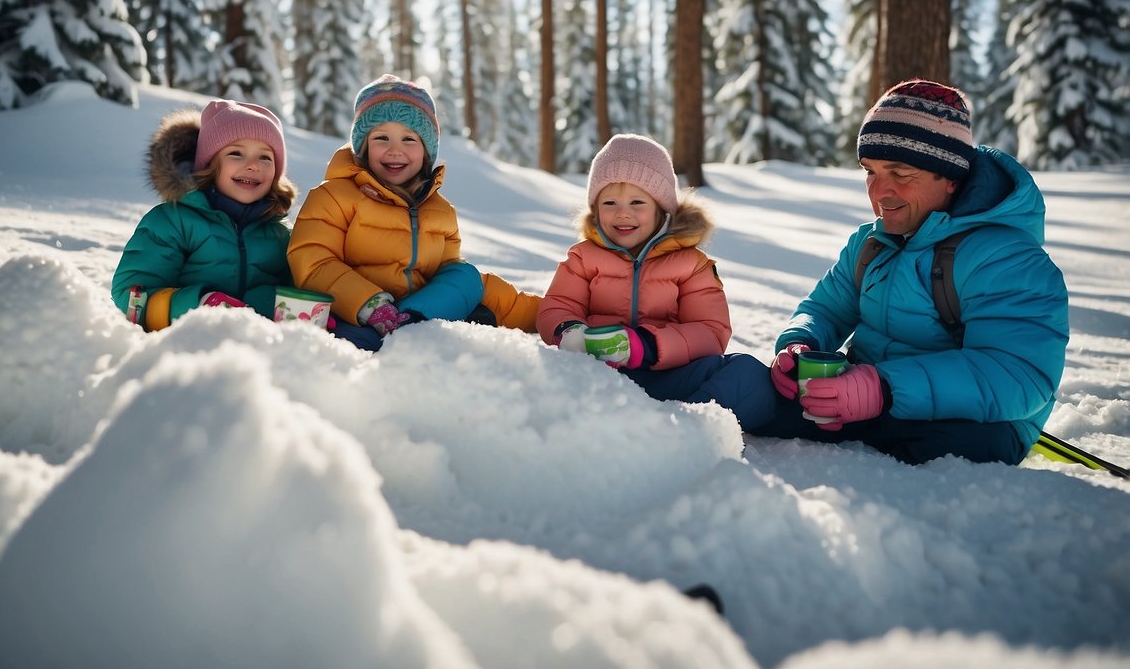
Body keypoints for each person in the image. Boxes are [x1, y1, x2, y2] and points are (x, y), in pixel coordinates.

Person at [753, 79, 1069, 465]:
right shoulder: (870, 244)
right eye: (870, 172)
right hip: (863, 402)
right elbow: (826, 308)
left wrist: (884, 388)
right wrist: (799, 343)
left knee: (931, 451)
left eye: (900, 173)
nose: (879, 192)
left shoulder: (1007, 259)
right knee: (744, 386)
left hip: (977, 422)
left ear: (951, 177)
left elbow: (1017, 374)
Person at [536, 134, 775, 431]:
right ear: (595, 210)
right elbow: (557, 305)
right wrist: (569, 332)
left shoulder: (691, 264)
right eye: (609, 202)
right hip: (600, 376)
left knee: (748, 374)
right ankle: (641, 428)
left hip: (669, 374)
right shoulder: (583, 258)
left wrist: (647, 346)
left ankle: (687, 427)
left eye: (638, 202)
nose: (623, 212)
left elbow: (710, 332)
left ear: (662, 209)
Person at [288, 74, 539, 351]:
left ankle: (412, 324)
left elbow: (449, 278)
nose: (395, 150)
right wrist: (370, 306)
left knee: (466, 276)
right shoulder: (334, 196)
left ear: (426, 152)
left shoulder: (440, 211)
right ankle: (402, 336)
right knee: (354, 338)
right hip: (355, 315)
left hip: (416, 315)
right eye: (382, 138)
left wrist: (548, 316)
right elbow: (313, 260)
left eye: (409, 139)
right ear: (363, 147)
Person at [112, 100, 297, 330]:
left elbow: (293, 290)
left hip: (257, 352)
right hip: (182, 346)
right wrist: (199, 305)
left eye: (265, 157)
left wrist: (304, 316)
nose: (252, 165)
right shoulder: (173, 222)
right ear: (209, 166)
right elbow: (132, 298)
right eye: (236, 153)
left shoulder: (281, 233)